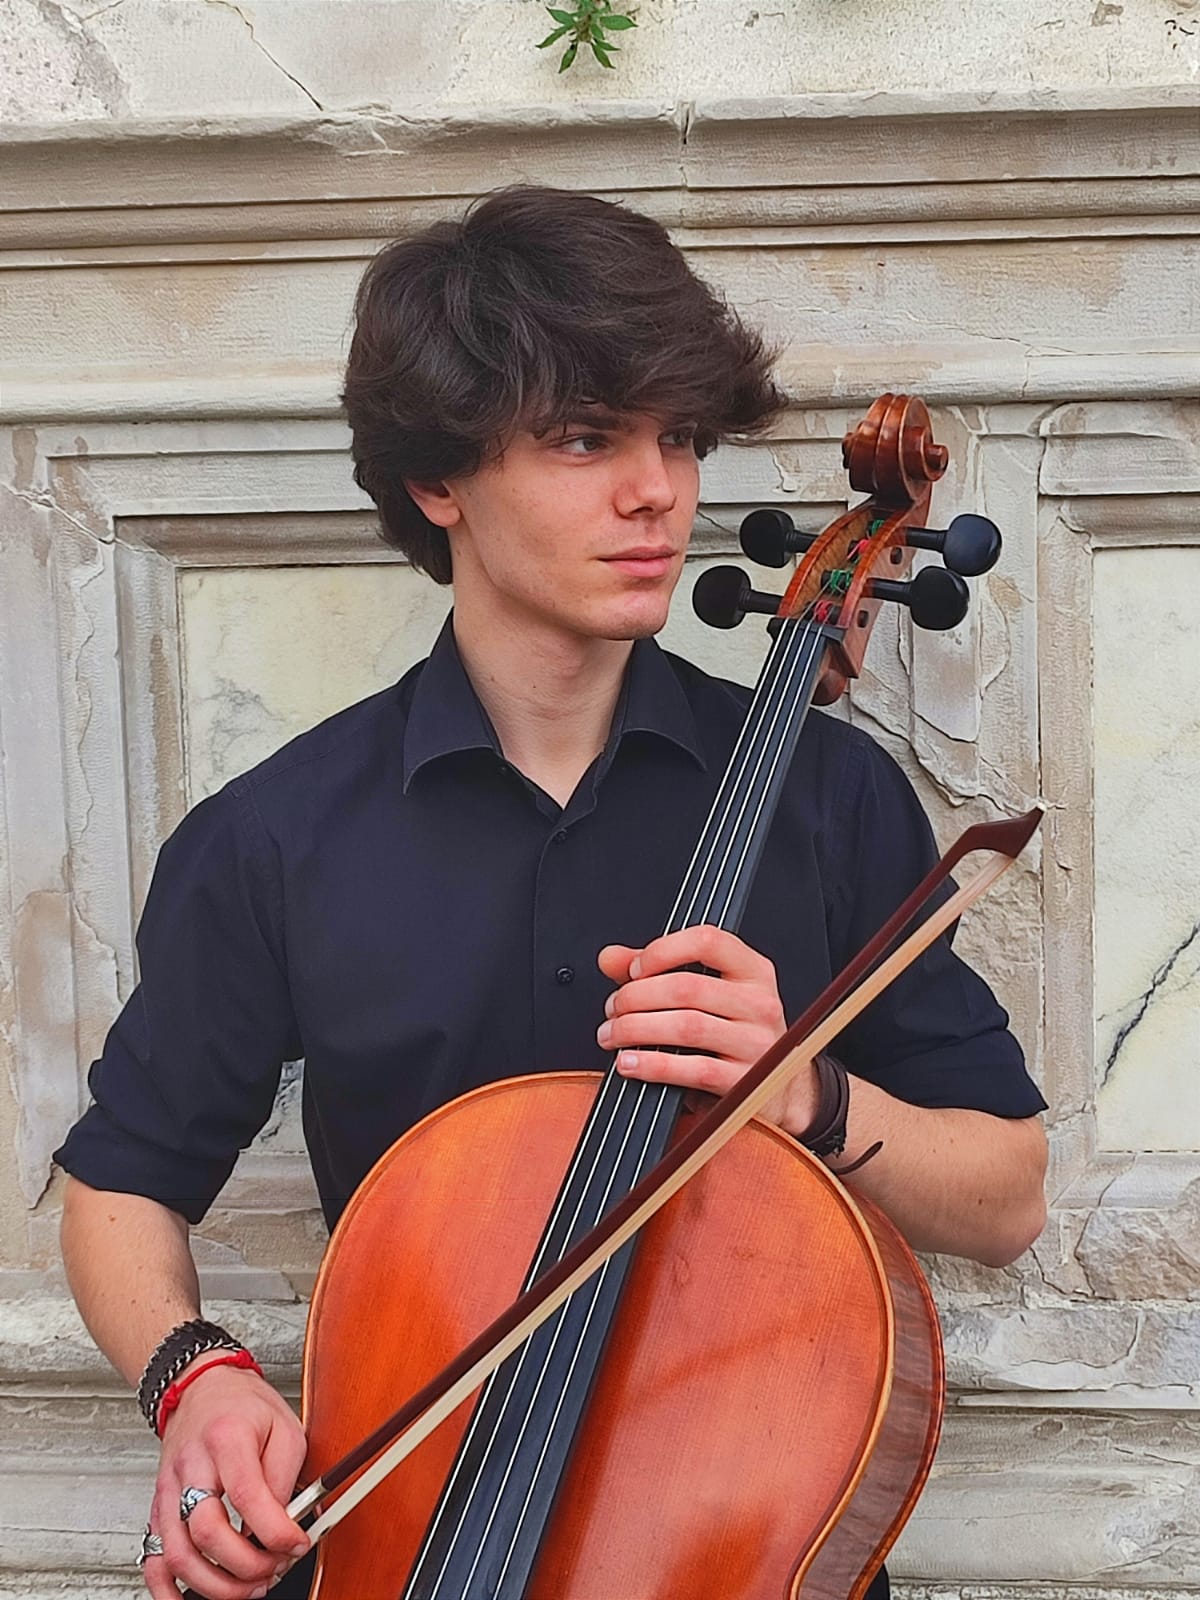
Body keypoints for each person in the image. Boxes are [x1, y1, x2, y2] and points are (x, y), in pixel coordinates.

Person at [54, 185, 1049, 1600]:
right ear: (437, 480)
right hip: (410, 1542)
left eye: (679, 438)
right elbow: (122, 1184)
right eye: (587, 439)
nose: (658, 492)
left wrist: (805, 1096)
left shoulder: (829, 800)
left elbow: (1008, 1196)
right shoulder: (273, 838)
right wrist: (194, 1379)